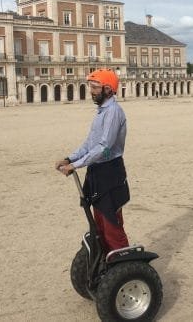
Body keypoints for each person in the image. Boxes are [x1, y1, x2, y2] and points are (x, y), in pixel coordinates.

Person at [56, 68, 130, 253]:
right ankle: (107, 267)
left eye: (95, 87)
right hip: (97, 173)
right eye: (91, 86)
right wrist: (69, 158)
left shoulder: (113, 112)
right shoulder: (101, 112)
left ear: (107, 89)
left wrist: (76, 165)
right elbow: (90, 143)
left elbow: (104, 147)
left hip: (110, 174)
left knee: (112, 228)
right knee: (100, 228)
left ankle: (124, 268)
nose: (91, 91)